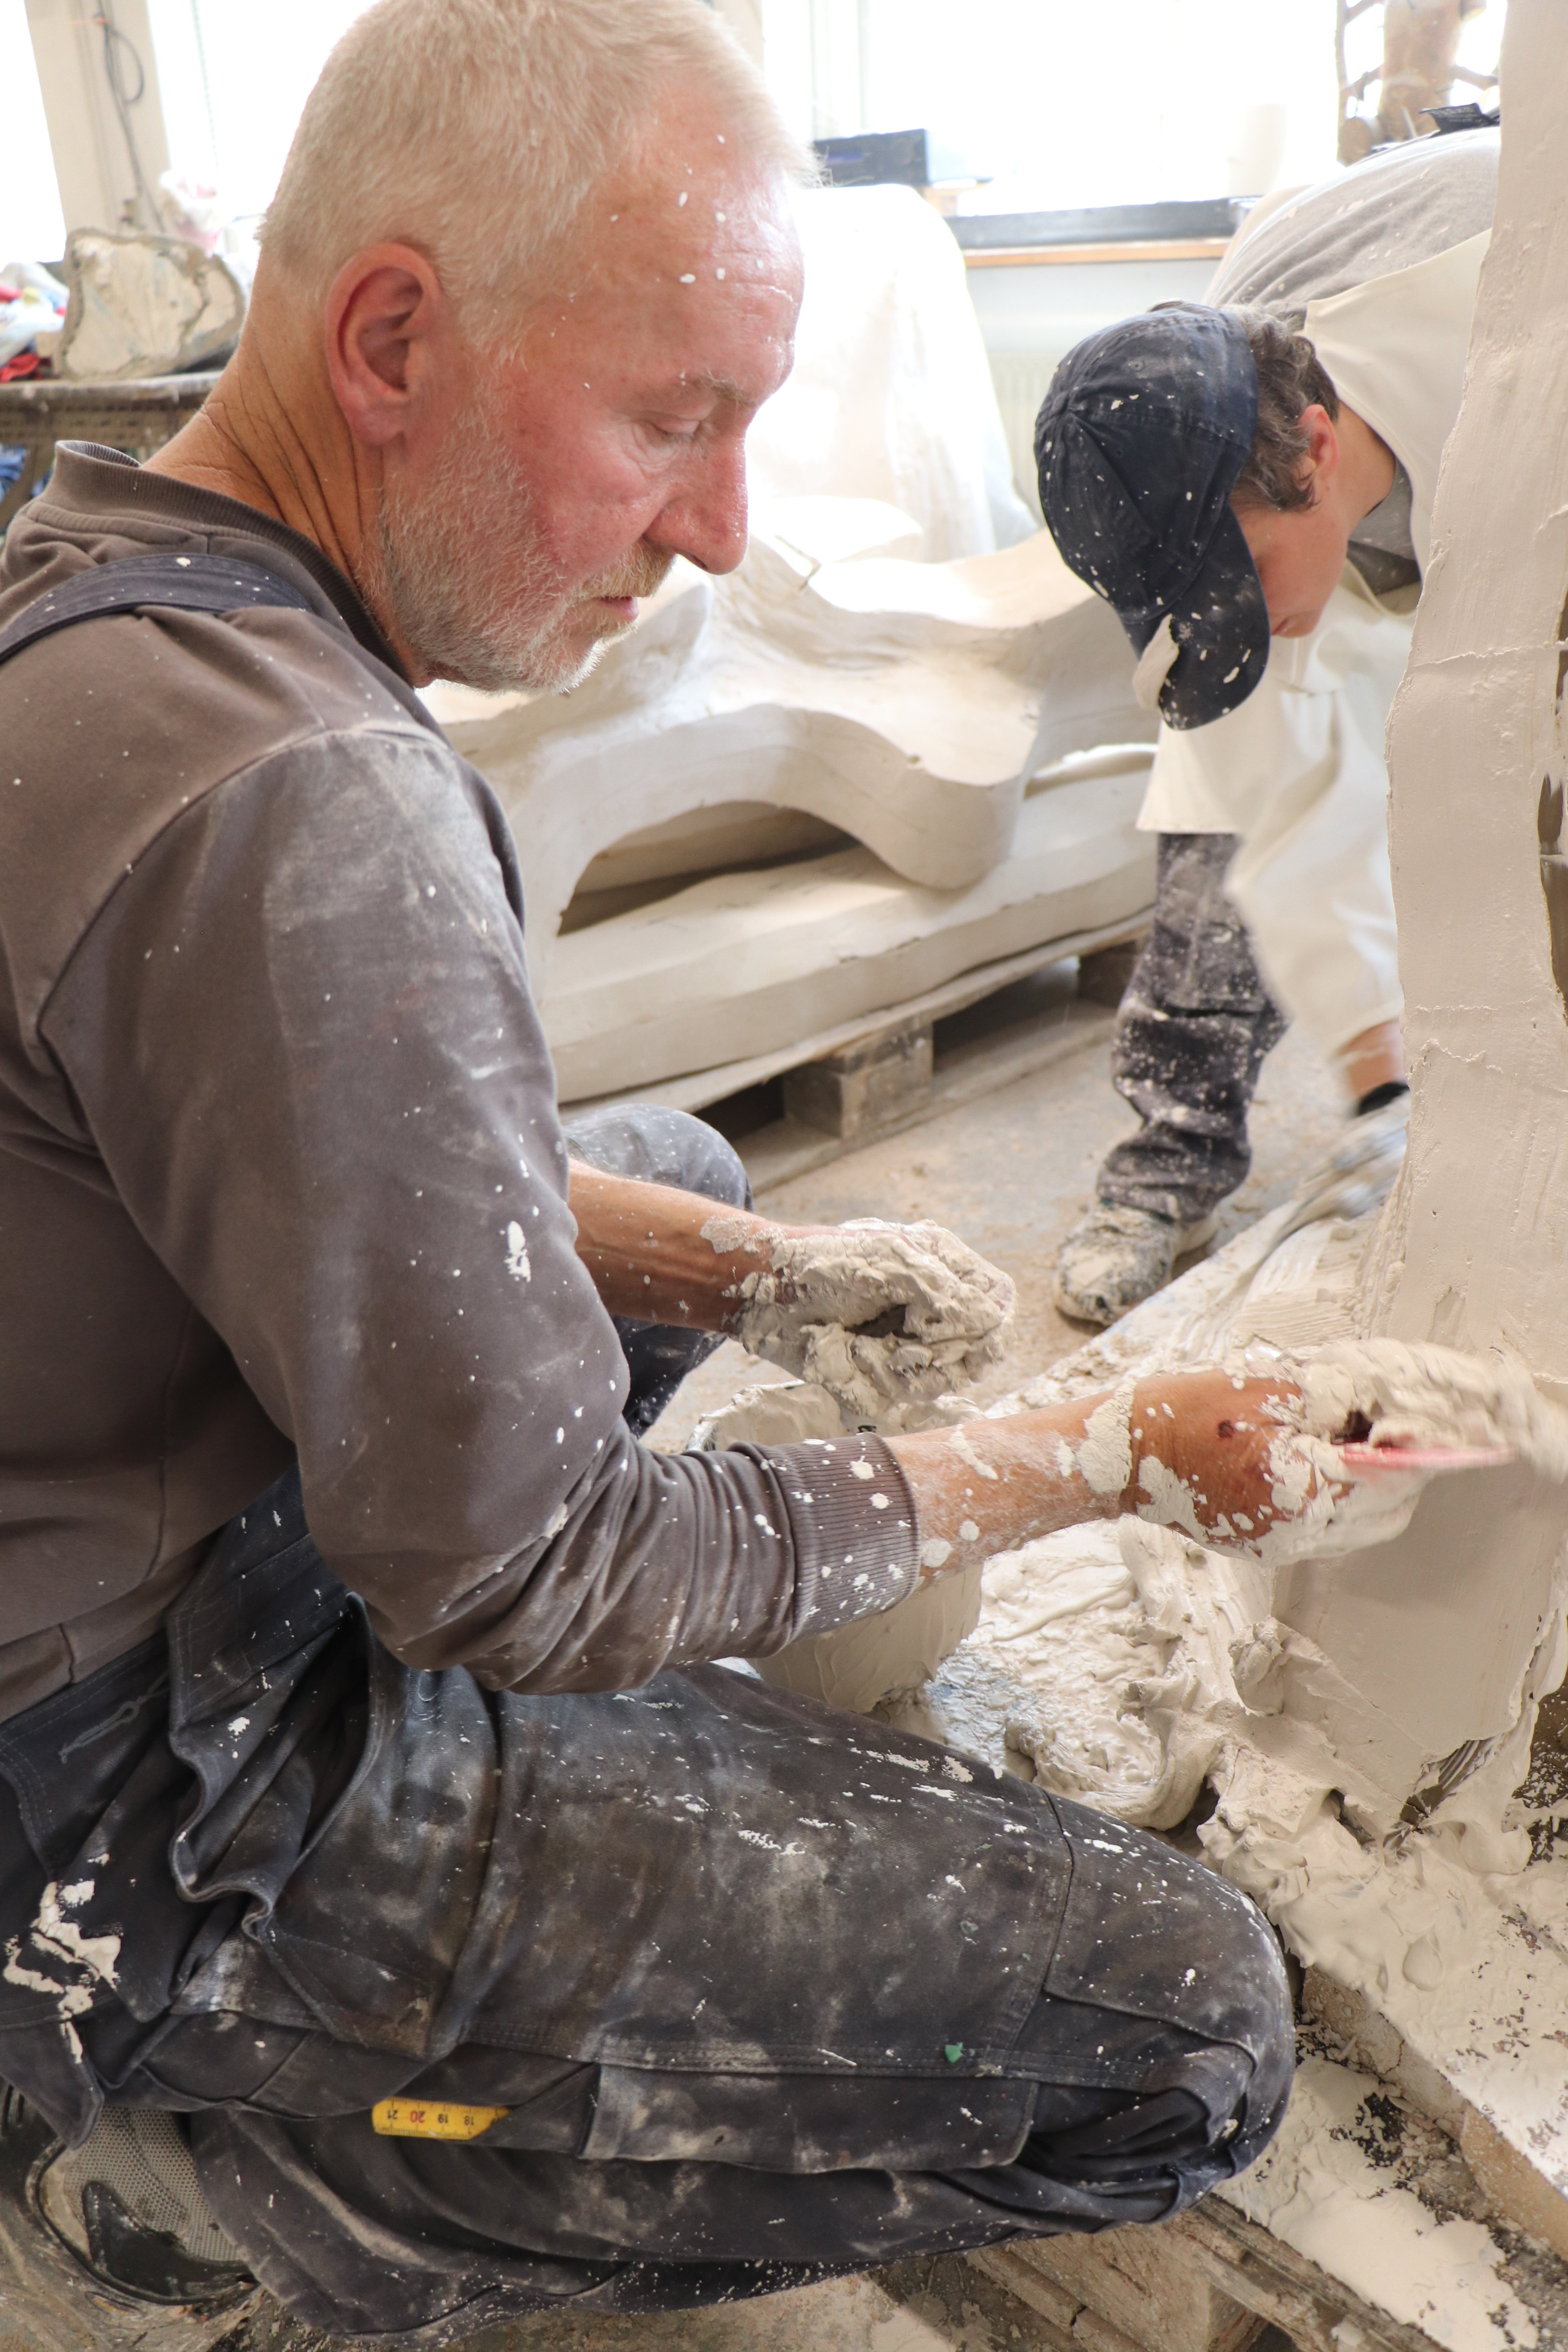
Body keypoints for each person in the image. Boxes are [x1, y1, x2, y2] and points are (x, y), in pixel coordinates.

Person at [0, 1, 1329, 2333]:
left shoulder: (100, 572)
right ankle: (264, 2165)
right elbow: (532, 1584)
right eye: (671, 419)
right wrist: (1077, 1450)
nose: (720, 524)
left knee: (658, 1154)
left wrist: (759, 1270)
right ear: (391, 334)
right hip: (105, 1789)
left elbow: (300, 1154)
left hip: (87, 1473)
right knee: (1183, 2034)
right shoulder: (310, 805)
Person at [1040, 123, 1498, 1326]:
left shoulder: (1510, 330)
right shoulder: (1192, 411)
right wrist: (1376, 1086)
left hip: (1503, 390)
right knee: (1218, 835)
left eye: (1235, 582)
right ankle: (1168, 1164)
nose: (1223, 617)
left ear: (1320, 451)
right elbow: (1277, 785)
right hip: (1353, 447)